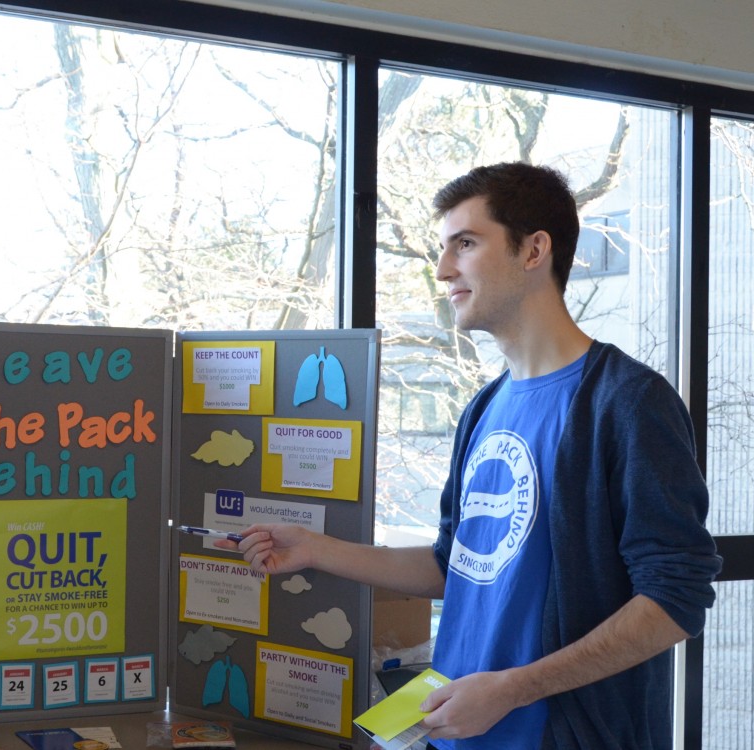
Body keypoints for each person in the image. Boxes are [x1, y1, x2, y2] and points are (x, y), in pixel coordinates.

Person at [219, 162, 721, 749]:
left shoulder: (628, 402)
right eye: (444, 248)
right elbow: (451, 564)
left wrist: (513, 689)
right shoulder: (483, 408)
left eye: (465, 243)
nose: (441, 270)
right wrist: (315, 549)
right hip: (451, 734)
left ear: (534, 250)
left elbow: (675, 599)